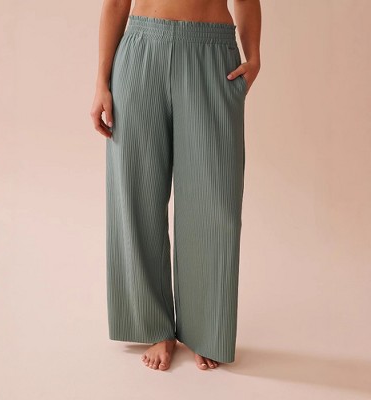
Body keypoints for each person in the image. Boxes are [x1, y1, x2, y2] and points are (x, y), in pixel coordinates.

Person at [90, 0, 261, 371]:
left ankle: (206, 328)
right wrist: (101, 81)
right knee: (135, 193)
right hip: (141, 49)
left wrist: (254, 56)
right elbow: (116, 2)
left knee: (214, 201)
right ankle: (153, 324)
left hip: (212, 52)